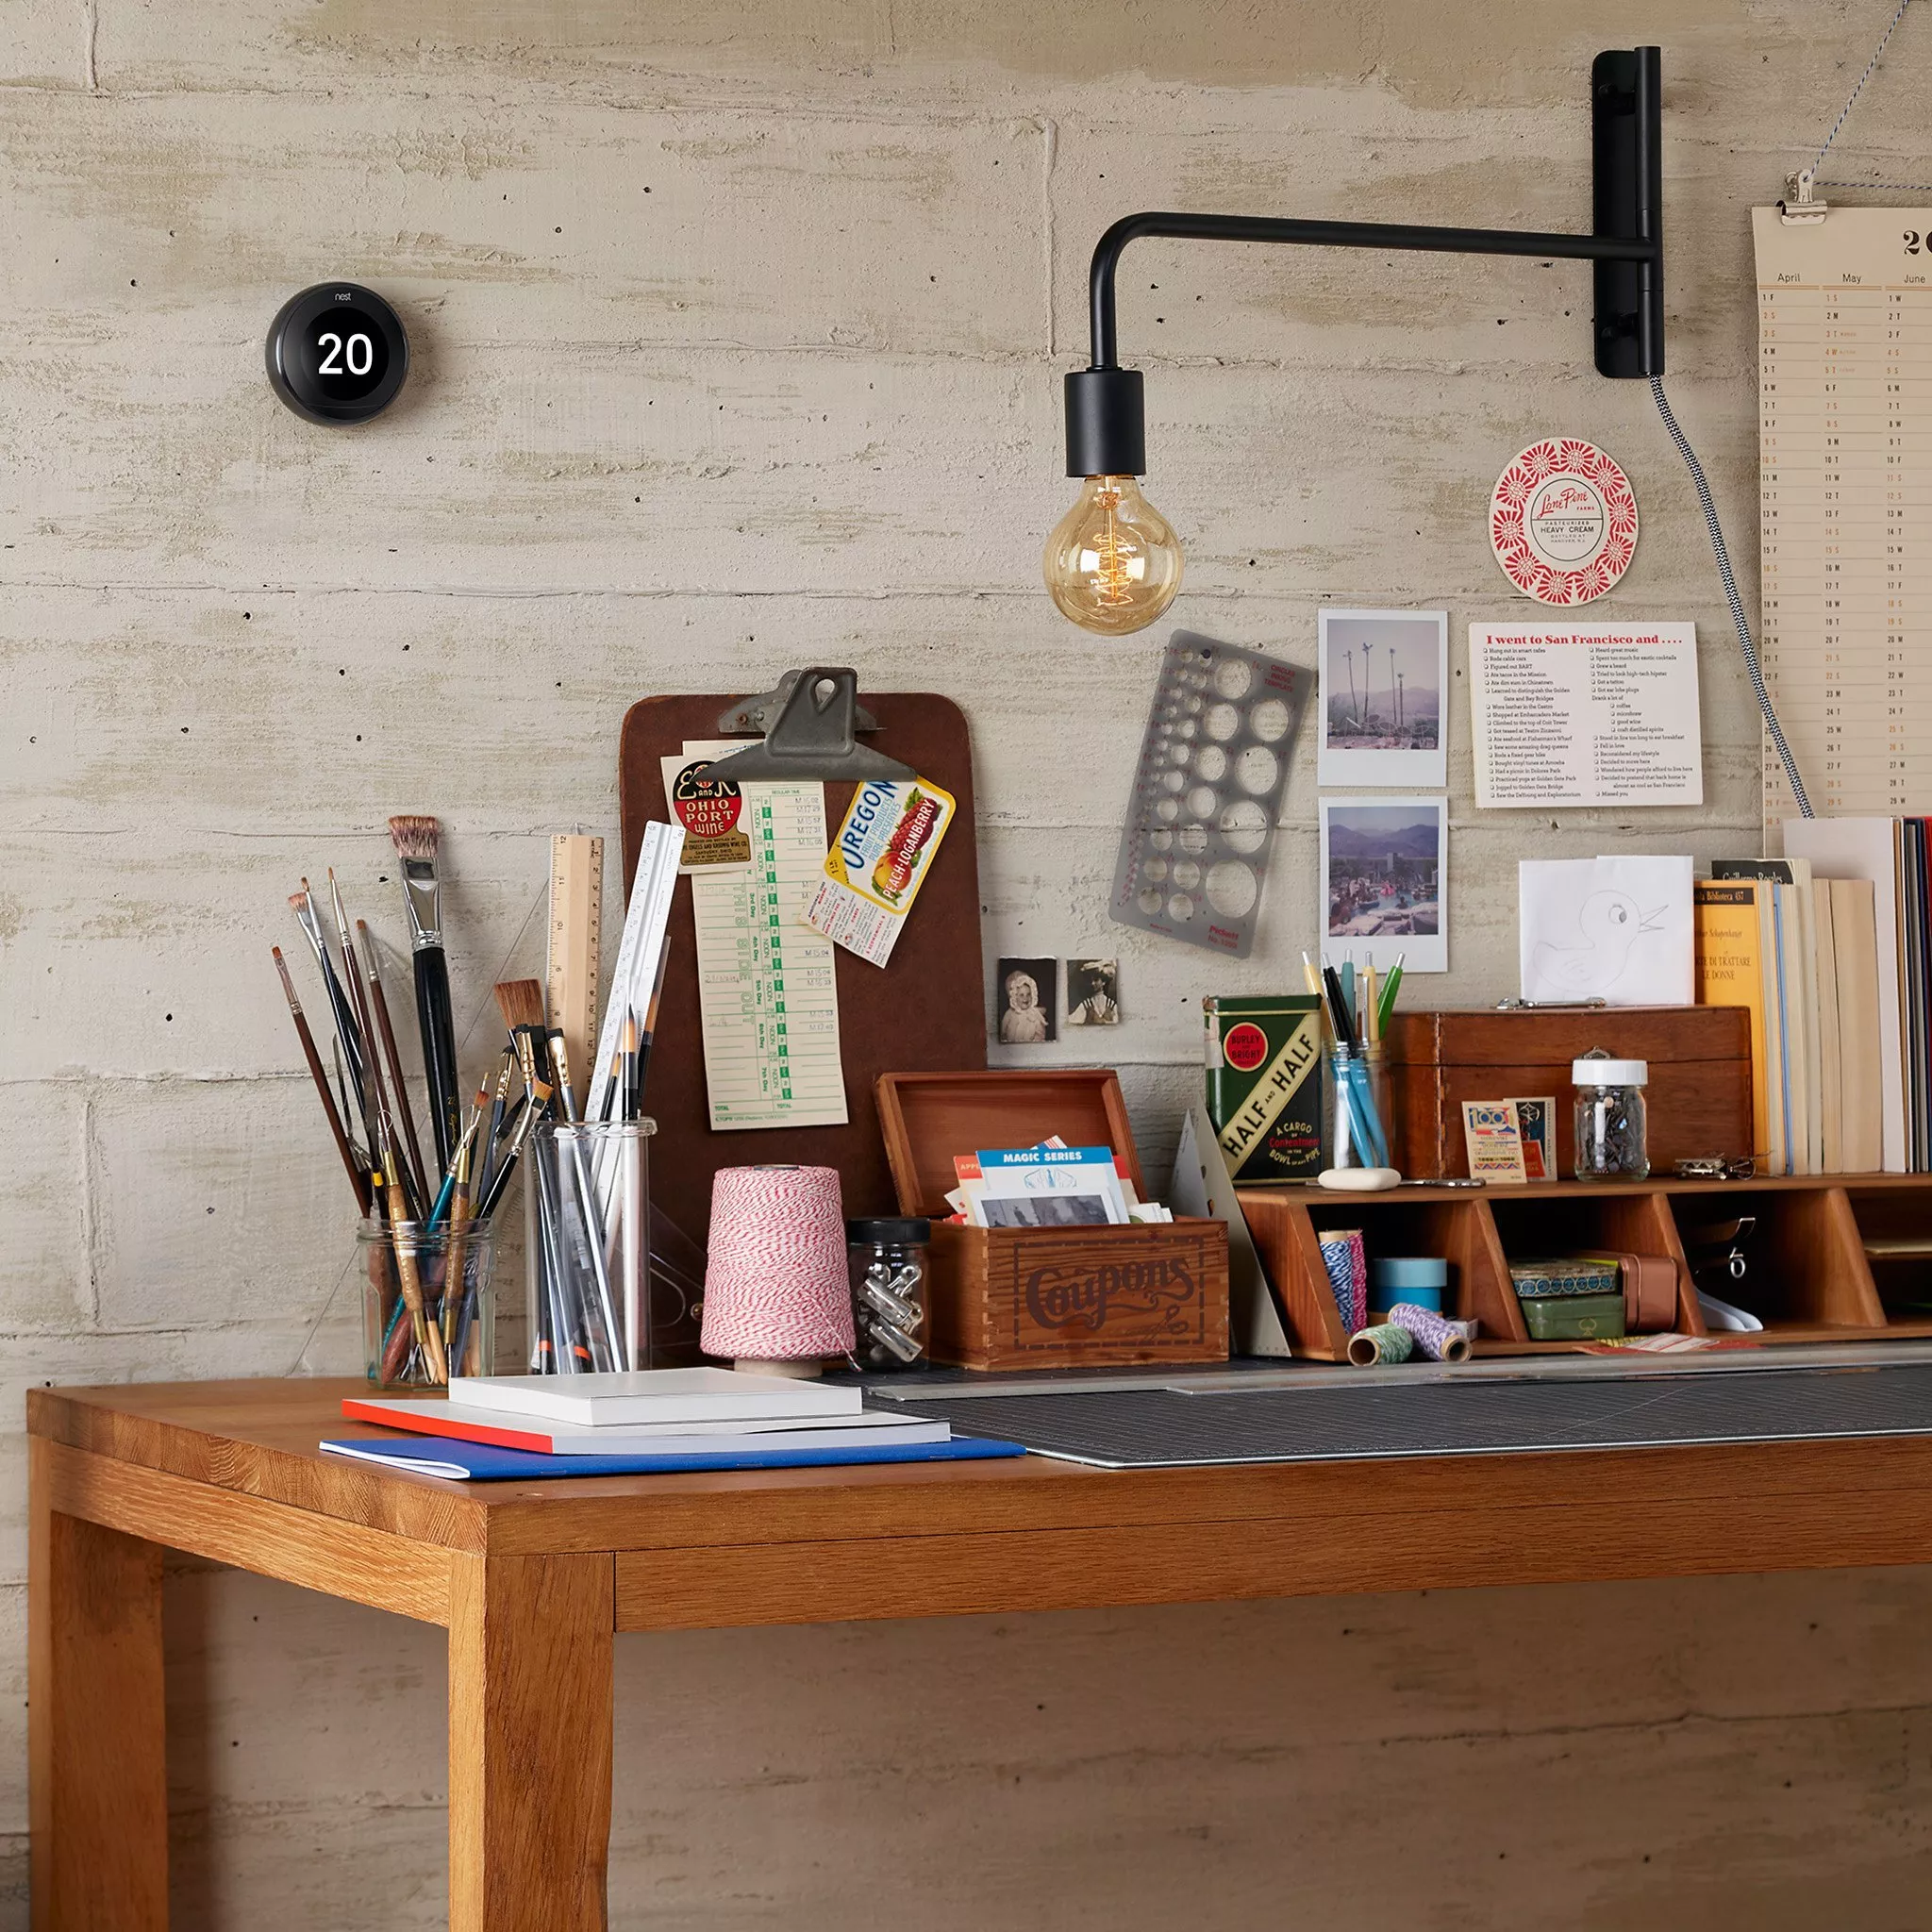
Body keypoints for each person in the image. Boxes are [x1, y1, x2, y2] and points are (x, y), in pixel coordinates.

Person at [999, 969, 1049, 1043]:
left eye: (1028, 994)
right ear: (1015, 997)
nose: (1025, 998)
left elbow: (1040, 1035)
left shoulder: (1035, 1015)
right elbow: (1003, 1033)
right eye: (1021, 995)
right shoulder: (1009, 1014)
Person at [1067, 963, 1118, 1027]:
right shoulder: (1086, 1005)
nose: (1092, 983)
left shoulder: (1111, 1005)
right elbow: (1070, 1021)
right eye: (1090, 980)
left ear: (1103, 982)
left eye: (1096, 980)